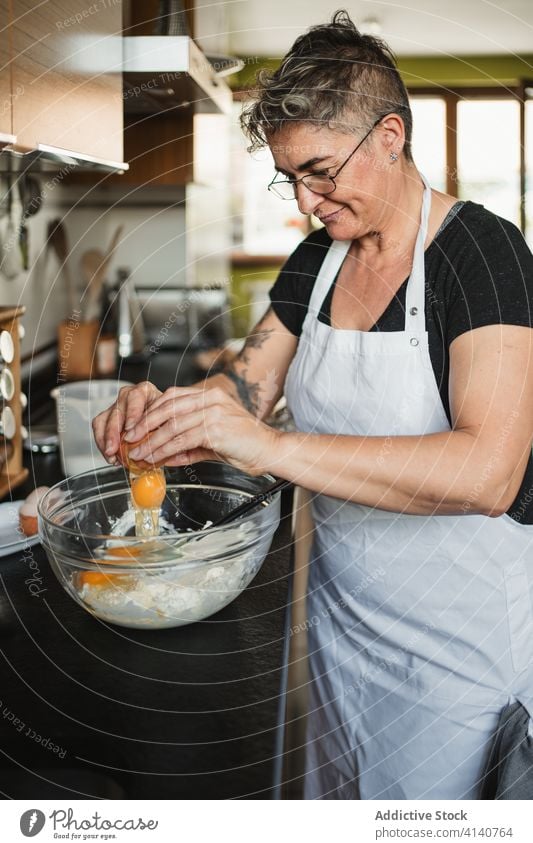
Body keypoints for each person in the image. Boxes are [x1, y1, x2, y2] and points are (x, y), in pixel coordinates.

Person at [93, 11, 533, 800]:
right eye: (289, 176)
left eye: (321, 171)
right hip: (341, 624)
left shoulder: (484, 256)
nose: (305, 200)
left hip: (460, 656)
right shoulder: (318, 258)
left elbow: (488, 472)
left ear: (389, 137)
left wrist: (265, 447)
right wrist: (176, 411)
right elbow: (248, 384)